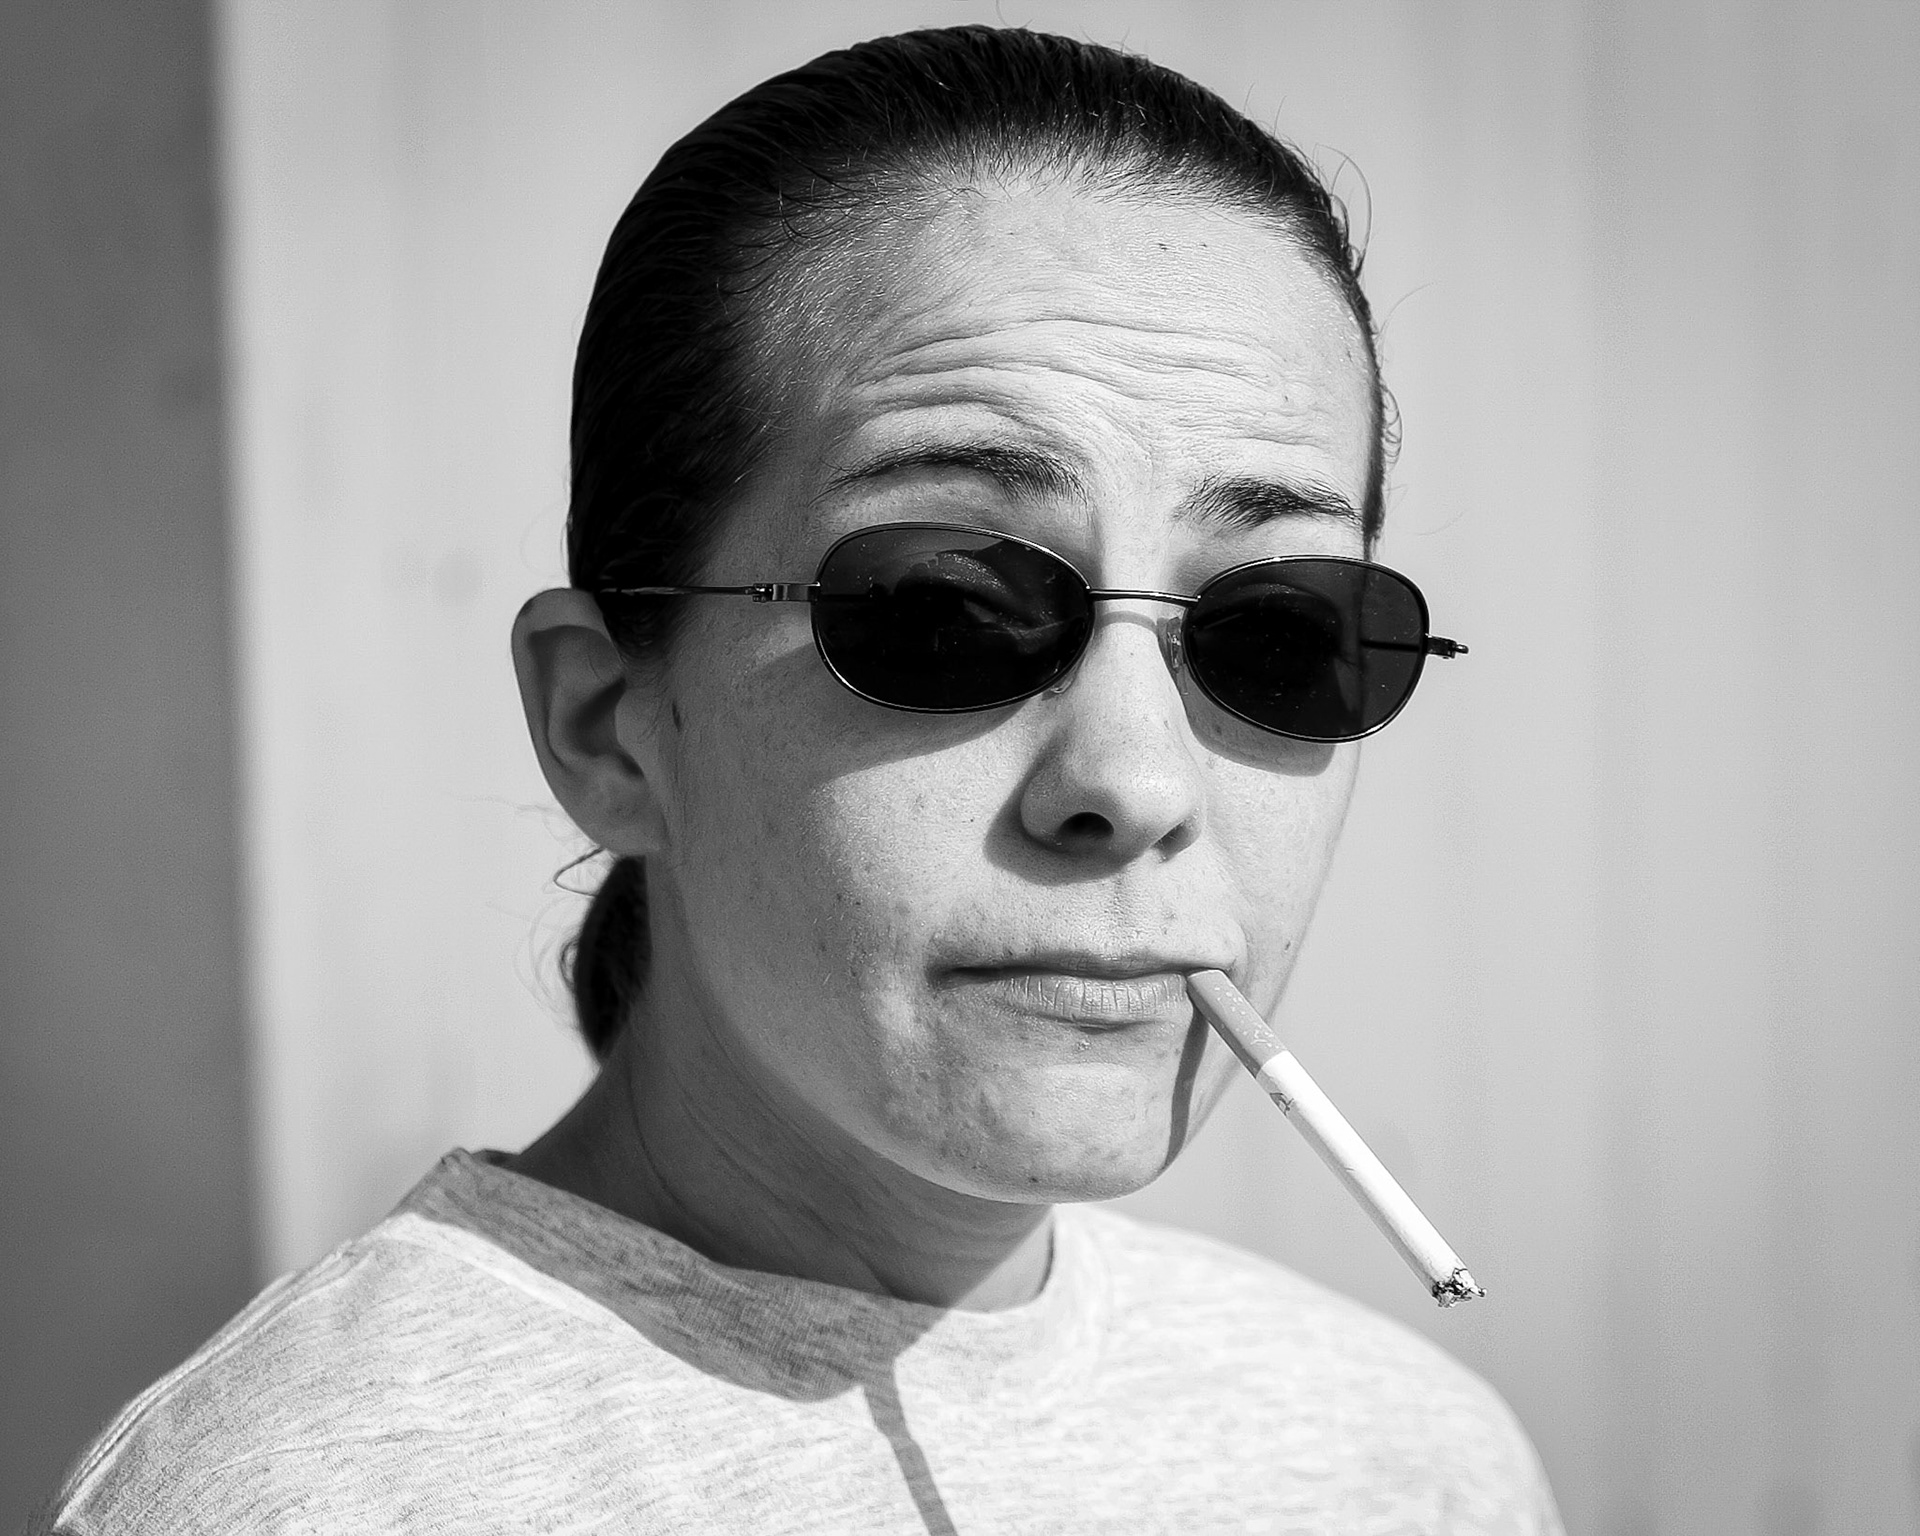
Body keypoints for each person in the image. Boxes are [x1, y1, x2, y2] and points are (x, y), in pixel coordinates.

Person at [37, 25, 1562, 1533]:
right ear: (605, 724)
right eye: (945, 605)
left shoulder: (1409, 1464)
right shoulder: (303, 1500)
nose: (1134, 780)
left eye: (1281, 630)